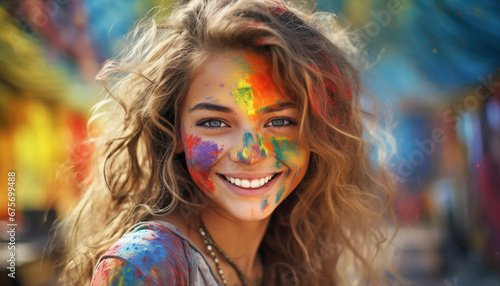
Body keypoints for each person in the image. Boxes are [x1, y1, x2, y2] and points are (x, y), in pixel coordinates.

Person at [59, 0, 403, 285]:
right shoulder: (146, 267)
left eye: (280, 121)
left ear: (319, 132)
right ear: (174, 132)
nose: (249, 153)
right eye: (214, 122)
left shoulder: (289, 259)